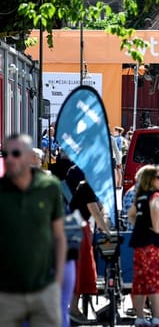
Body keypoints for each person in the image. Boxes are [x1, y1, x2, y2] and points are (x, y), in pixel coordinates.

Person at [0, 134, 66, 326]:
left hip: (43, 289)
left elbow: (59, 236)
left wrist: (58, 280)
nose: (10, 159)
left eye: (16, 153)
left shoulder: (49, 187)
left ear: (30, 157)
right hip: (7, 293)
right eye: (6, 154)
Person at [127, 165, 159, 327]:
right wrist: (155, 226)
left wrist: (140, 226)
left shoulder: (140, 197)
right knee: (154, 281)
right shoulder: (156, 195)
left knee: (140, 280)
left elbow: (131, 215)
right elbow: (155, 208)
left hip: (139, 243)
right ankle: (156, 318)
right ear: (151, 180)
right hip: (153, 244)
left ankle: (140, 318)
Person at [68, 173, 112, 322]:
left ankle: (74, 308)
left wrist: (103, 219)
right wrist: (107, 232)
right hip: (78, 231)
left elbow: (101, 209)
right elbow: (96, 214)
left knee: (81, 270)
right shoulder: (87, 189)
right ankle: (73, 309)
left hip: (77, 229)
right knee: (80, 270)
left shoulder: (86, 188)